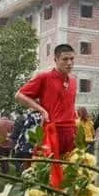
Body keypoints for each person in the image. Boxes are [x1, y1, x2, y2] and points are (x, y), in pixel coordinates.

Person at [15, 44, 77, 187]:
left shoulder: (73, 80)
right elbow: (19, 95)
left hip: (70, 132)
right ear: (55, 59)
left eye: (72, 59)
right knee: (48, 175)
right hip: (52, 132)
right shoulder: (45, 77)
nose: (69, 63)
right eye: (65, 59)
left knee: (70, 176)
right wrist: (42, 110)